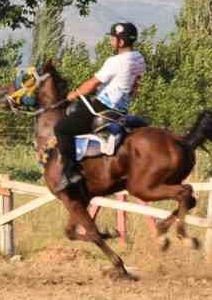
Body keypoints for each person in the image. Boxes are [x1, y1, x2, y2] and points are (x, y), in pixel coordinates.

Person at [52, 22, 147, 194]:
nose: (111, 40)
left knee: (62, 128)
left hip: (102, 106)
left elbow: (93, 83)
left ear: (121, 42)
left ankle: (70, 173)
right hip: (121, 109)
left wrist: (71, 95)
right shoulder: (139, 58)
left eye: (113, 37)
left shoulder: (115, 61)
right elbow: (133, 86)